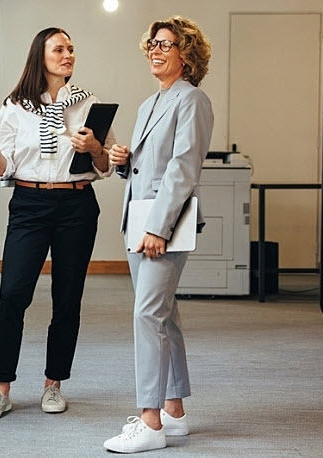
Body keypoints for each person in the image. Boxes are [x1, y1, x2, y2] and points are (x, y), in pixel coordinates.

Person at [0, 27, 115, 420]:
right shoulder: (15, 107)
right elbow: (5, 169)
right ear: (40, 56)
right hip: (29, 204)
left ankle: (54, 384)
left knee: (67, 297)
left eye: (71, 49)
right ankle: (0, 389)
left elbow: (105, 167)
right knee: (12, 296)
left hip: (76, 205)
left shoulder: (90, 105)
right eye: (59, 49)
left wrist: (95, 148)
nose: (68, 55)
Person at [103, 16, 213, 454]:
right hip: (139, 219)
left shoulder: (193, 100)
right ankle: (174, 412)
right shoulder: (151, 103)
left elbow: (183, 169)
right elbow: (147, 169)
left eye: (166, 44)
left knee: (147, 315)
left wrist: (157, 228)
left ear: (187, 54)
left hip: (161, 225)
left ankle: (150, 421)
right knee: (164, 315)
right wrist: (123, 161)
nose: (155, 49)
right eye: (152, 43)